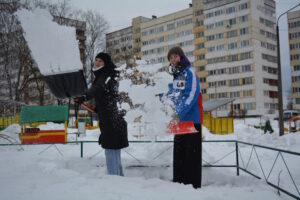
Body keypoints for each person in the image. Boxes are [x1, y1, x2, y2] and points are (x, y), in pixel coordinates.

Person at [75, 52, 128, 176]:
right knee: (114, 150)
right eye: (96, 60)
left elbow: (99, 88)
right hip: (112, 116)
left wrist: (84, 96)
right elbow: (108, 96)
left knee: (111, 150)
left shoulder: (106, 75)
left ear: (105, 64)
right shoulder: (107, 75)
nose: (97, 62)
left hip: (112, 118)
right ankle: (119, 178)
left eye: (101, 61)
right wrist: (98, 108)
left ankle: (114, 179)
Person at [163, 46, 203, 188]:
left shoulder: (189, 73)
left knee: (191, 157)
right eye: (170, 58)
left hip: (191, 121)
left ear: (181, 57)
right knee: (179, 156)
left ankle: (192, 188)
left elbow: (191, 95)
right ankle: (178, 185)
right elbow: (170, 96)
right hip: (178, 122)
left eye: (175, 56)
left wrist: (179, 114)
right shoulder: (173, 77)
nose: (173, 60)